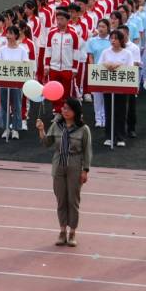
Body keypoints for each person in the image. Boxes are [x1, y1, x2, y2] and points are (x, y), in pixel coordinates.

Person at [36, 95, 91, 247]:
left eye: (68, 109)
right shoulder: (56, 125)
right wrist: (41, 130)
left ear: (75, 111)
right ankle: (62, 231)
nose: (64, 111)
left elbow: (87, 151)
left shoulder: (83, 129)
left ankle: (72, 232)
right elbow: (46, 143)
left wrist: (85, 170)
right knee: (61, 200)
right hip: (58, 164)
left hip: (75, 164)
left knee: (73, 200)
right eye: (63, 108)